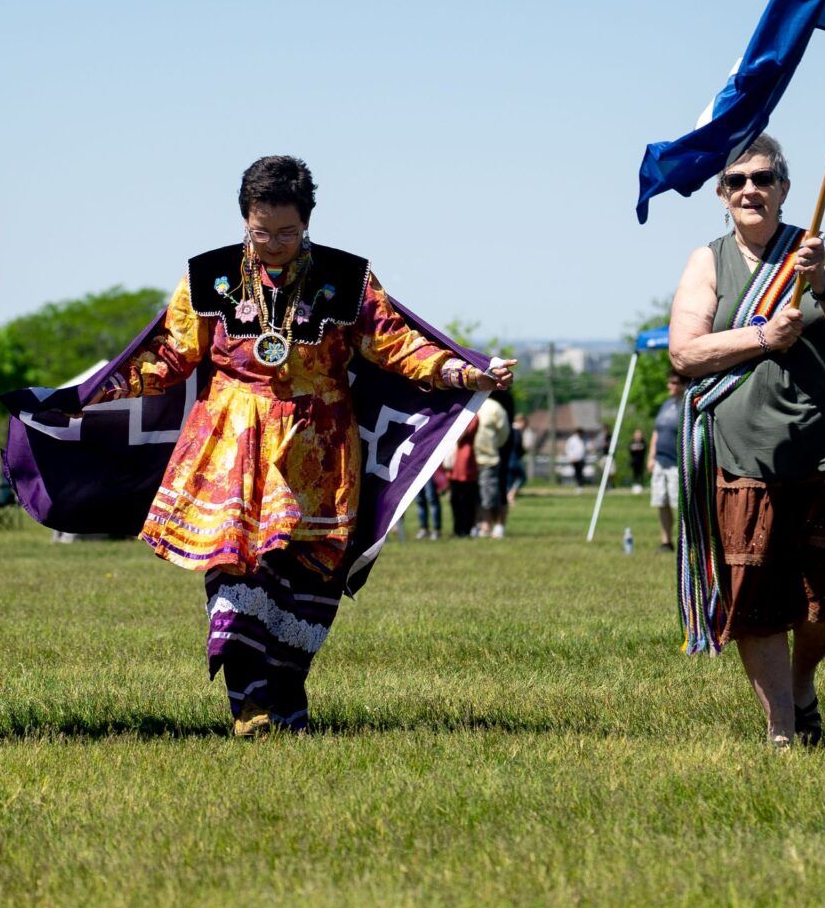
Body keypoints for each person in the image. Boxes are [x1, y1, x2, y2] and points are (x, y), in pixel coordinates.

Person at [82, 155, 512, 736]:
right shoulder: (207, 277)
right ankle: (249, 701)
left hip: (321, 443)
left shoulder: (348, 279)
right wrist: (95, 390)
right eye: (262, 232)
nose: (274, 244)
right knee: (238, 565)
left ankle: (287, 691)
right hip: (232, 437)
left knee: (306, 573)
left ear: (307, 222)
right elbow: (172, 354)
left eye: (287, 232)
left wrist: (464, 373)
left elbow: (393, 343)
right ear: (244, 221)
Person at [665, 134, 825, 748]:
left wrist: (824, 286)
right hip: (742, 451)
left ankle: (802, 682)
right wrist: (761, 339)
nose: (750, 190)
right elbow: (686, 351)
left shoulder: (817, 251)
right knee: (753, 596)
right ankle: (783, 727)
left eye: (763, 178)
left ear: (784, 187)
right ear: (722, 196)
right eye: (737, 182)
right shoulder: (707, 261)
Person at [648, 371, 688, 550]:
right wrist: (651, 456)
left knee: (678, 504)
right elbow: (656, 431)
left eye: (674, 383)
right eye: (669, 382)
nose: (670, 386)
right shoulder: (666, 404)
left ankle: (686, 542)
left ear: (683, 384)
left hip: (676, 463)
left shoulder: (687, 405)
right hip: (660, 461)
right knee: (661, 502)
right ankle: (666, 541)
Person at [474, 388, 513, 539]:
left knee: (497, 490)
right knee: (481, 492)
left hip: (497, 451)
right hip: (479, 453)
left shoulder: (502, 399)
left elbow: (504, 432)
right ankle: (483, 523)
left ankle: (497, 525)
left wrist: (495, 445)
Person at [445, 410, 482, 537]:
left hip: (465, 460)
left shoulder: (473, 416)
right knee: (455, 499)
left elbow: (461, 434)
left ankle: (466, 528)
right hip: (454, 460)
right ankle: (457, 528)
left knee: (467, 498)